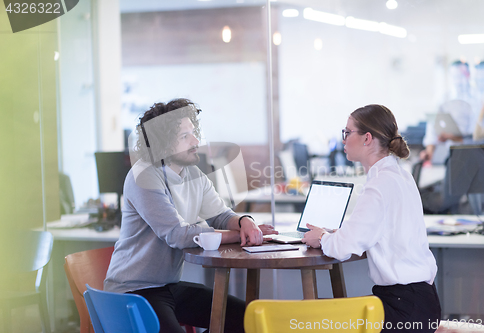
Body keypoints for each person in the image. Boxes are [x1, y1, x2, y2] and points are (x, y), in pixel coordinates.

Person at [104, 98, 276, 333]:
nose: (196, 141)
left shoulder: (193, 174)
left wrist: (245, 222)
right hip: (133, 291)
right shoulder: (143, 176)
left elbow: (221, 214)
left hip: (168, 286)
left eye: (193, 133)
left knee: (249, 320)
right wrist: (237, 236)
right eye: (185, 137)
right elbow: (177, 235)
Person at [303, 104, 441, 332]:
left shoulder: (379, 184)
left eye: (347, 133)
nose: (344, 140)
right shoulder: (399, 175)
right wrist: (336, 235)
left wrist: (323, 238)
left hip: (403, 308)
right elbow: (373, 232)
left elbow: (342, 248)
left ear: (367, 138)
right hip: (420, 301)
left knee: (311, 318)